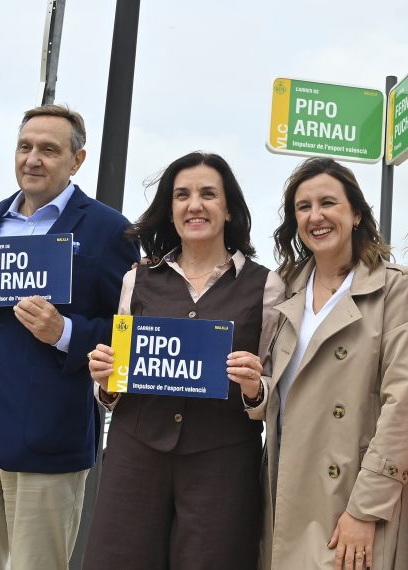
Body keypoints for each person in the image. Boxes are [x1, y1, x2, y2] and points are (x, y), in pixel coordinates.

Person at [0, 104, 138, 569]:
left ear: (77, 160)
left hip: (47, 430)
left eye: (49, 149)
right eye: (25, 147)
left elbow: (129, 330)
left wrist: (65, 331)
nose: (33, 159)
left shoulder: (109, 230)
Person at [85, 151, 285, 570]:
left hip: (223, 463)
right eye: (182, 195)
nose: (195, 204)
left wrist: (254, 388)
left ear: (228, 208)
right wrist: (106, 380)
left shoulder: (267, 286)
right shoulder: (136, 279)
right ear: (170, 208)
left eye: (208, 194)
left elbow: (274, 389)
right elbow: (115, 388)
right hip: (135, 456)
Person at [256, 157, 408, 570]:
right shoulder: (285, 289)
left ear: (355, 214)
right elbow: (270, 392)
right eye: (303, 207)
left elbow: (403, 406)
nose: (315, 216)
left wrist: (366, 509)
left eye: (328, 203)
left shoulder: (394, 288)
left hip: (354, 498)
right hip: (286, 492)